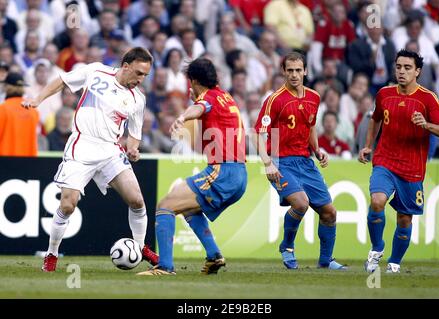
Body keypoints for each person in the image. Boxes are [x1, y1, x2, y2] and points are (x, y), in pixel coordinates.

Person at [22, 47, 159, 272]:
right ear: (126, 66)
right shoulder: (96, 71)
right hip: (82, 145)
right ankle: (51, 254)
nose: (141, 79)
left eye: (145, 75)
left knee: (137, 201)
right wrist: (38, 99)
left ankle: (140, 246)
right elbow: (63, 81)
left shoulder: (138, 100)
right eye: (138, 73)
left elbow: (134, 136)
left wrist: (133, 150)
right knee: (68, 204)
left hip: (110, 151)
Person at [137, 58, 247, 276]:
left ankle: (165, 267)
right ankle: (214, 256)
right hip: (239, 173)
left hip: (222, 171)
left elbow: (200, 107)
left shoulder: (207, 99)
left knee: (165, 206)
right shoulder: (226, 97)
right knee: (188, 209)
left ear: (195, 80)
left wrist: (182, 116)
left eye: (191, 81)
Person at [359, 49, 439, 274]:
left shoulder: (428, 98)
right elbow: (375, 119)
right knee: (377, 201)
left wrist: (426, 125)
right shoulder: (384, 93)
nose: (402, 71)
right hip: (385, 160)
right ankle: (376, 248)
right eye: (399, 67)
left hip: (412, 169)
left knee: (404, 219)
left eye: (407, 68)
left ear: (418, 71)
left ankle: (394, 263)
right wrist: (369, 145)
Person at [253, 51, 346, 270]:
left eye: (298, 70)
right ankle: (287, 246)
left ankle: (326, 261)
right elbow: (257, 133)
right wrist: (267, 163)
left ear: (305, 71)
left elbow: (311, 125)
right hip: (280, 161)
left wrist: (316, 150)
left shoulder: (314, 97)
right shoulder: (274, 100)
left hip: (305, 161)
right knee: (301, 203)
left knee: (329, 212)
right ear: (283, 71)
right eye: (290, 70)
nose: (294, 75)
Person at [0, 72, 39, 157]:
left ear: (7, 87)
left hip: (5, 162)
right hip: (28, 161)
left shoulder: (2, 109)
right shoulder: (33, 110)